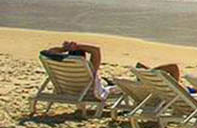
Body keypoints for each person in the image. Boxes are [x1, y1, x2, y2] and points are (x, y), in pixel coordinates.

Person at [40, 41, 181, 98]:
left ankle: (144, 73)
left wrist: (65, 49)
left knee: (140, 69)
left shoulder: (64, 73)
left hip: (72, 90)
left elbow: (48, 52)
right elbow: (96, 51)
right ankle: (146, 75)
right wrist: (77, 46)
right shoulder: (90, 74)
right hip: (98, 92)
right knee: (169, 68)